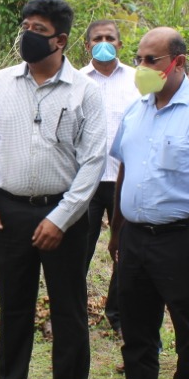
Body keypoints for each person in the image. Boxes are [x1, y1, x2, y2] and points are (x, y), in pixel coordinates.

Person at [0, 0, 107, 379]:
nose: (27, 33)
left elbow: (93, 164)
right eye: (24, 24)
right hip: (8, 210)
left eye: (37, 28)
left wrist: (62, 217)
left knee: (69, 312)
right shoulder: (2, 84)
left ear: (61, 40)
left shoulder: (86, 92)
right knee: (15, 311)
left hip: (66, 215)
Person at [104, 28, 189, 379]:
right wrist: (116, 232)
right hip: (135, 238)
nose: (144, 68)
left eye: (153, 60)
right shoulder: (136, 111)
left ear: (179, 62)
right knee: (136, 333)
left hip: (185, 239)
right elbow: (124, 171)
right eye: (140, 59)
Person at [78, 21, 137, 356]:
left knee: (125, 252)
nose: (103, 43)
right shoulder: (75, 81)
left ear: (120, 43)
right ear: (87, 46)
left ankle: (118, 314)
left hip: (124, 179)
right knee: (77, 252)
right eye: (97, 39)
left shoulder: (136, 80)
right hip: (85, 181)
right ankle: (69, 313)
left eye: (109, 38)